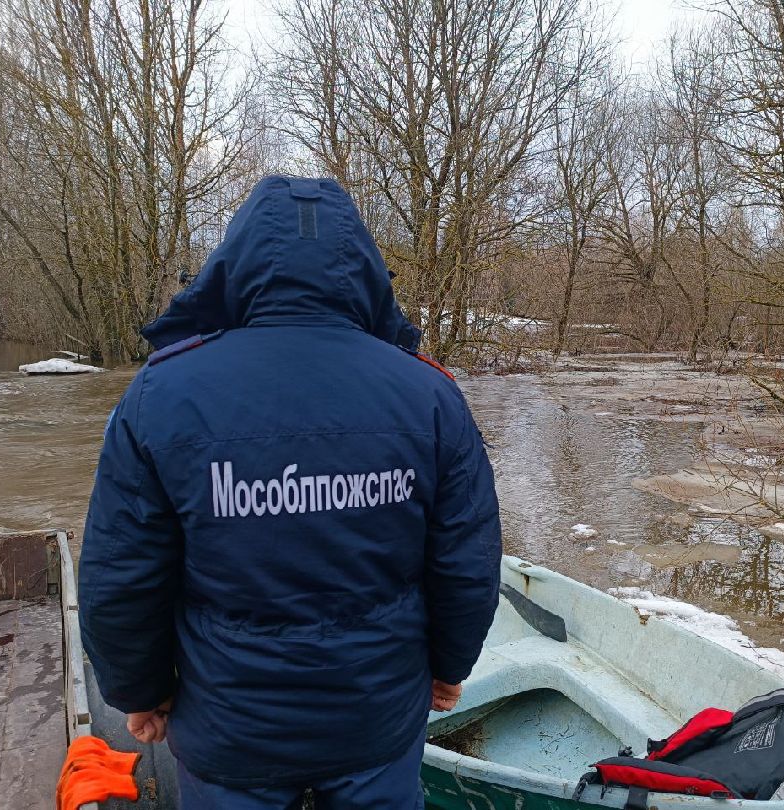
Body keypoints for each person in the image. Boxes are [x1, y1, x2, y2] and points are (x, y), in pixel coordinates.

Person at [79, 176, 502, 809]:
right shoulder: (430, 394)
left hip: (229, 727)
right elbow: (467, 561)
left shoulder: (161, 394)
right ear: (361, 266)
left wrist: (139, 691)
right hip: (376, 718)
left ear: (235, 262)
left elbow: (121, 574)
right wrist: (450, 665)